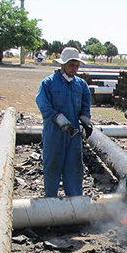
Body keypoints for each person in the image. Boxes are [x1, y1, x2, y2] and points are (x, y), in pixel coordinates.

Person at [35, 47, 93, 197]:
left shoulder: (81, 85)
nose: (75, 69)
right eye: (71, 65)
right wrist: (58, 118)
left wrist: (86, 120)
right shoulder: (48, 83)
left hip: (73, 135)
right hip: (54, 133)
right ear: (63, 65)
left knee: (74, 167)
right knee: (52, 165)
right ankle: (50, 201)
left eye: (77, 66)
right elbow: (43, 104)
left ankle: (74, 203)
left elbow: (85, 105)